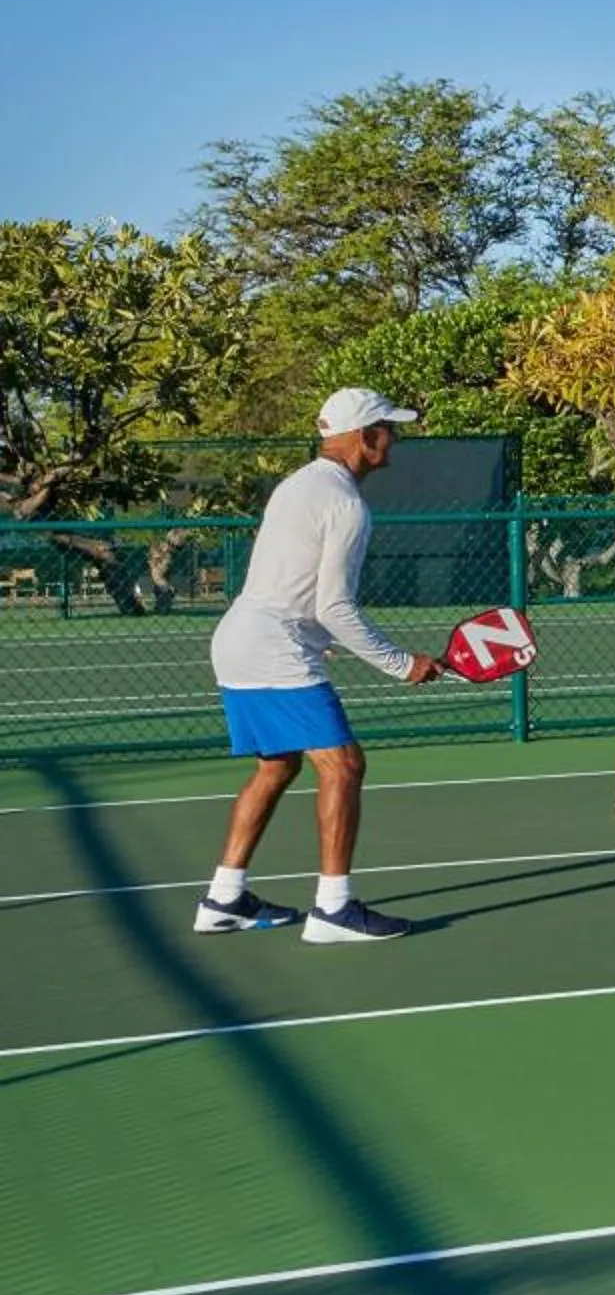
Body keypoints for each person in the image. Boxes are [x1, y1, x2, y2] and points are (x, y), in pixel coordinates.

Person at [196, 388, 444, 944]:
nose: (395, 441)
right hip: (272, 645)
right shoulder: (346, 504)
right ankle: (334, 909)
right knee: (343, 765)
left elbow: (294, 581)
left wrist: (313, 636)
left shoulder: (298, 484)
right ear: (367, 437)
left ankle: (224, 898)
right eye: (389, 430)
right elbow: (334, 605)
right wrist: (402, 663)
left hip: (240, 638)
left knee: (277, 766)